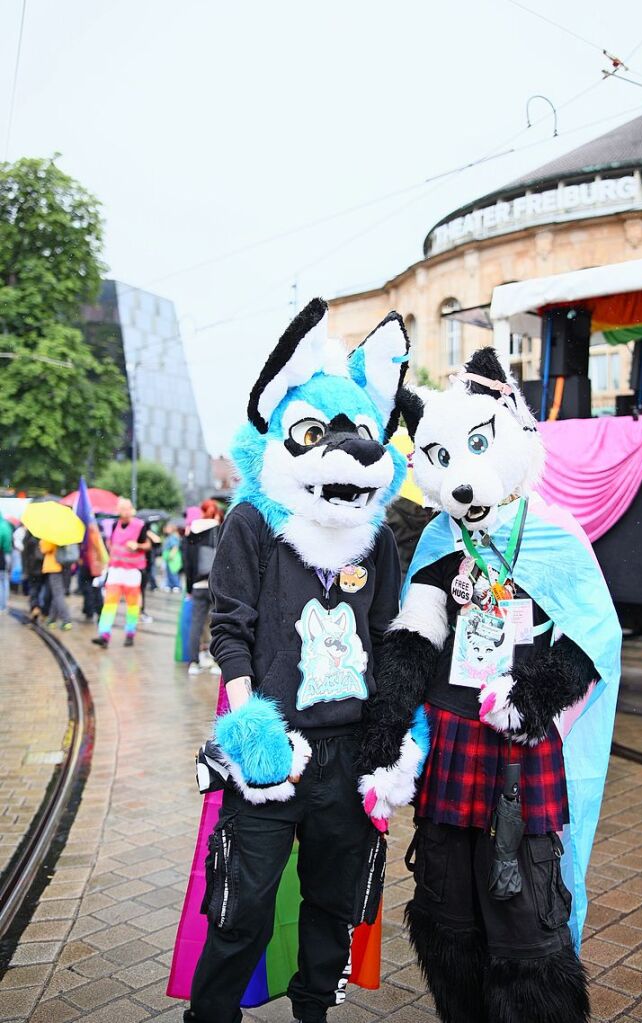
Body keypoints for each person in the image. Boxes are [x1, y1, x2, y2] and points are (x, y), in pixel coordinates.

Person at [357, 349, 622, 1023]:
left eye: (474, 446)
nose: (461, 475)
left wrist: (536, 696)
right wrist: (386, 723)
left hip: (517, 745)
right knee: (447, 899)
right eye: (440, 456)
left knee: (523, 905)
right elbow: (413, 637)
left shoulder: (554, 535)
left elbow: (592, 636)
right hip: (449, 742)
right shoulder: (436, 542)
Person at [175, 298, 415, 1023]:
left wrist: (391, 741)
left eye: (359, 433)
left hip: (348, 754)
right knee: (242, 904)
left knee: (332, 903)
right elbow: (231, 628)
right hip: (275, 749)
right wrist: (252, 728)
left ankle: (314, 1009)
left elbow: (390, 638)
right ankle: (210, 1016)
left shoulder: (377, 538)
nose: (344, 450)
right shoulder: (251, 521)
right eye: (317, 431)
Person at [92, 497, 151, 648]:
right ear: (118, 511)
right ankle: (104, 635)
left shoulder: (140, 525)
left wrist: (137, 545)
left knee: (132, 605)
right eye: (122, 509)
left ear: (131, 510)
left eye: (127, 508)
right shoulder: (113, 525)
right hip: (116, 569)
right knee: (109, 604)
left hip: (132, 572)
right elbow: (111, 545)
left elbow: (148, 545)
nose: (125, 512)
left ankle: (130, 634)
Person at [184, 501, 222, 676]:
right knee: (218, 625)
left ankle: (193, 662)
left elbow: (188, 562)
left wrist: (189, 586)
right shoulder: (220, 530)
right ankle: (216, 662)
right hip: (216, 586)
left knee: (196, 624)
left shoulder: (192, 532)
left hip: (197, 585)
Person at [39, 539, 73, 630]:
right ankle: (52, 619)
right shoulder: (66, 533)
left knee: (58, 594)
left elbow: (44, 549)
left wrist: (42, 541)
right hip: (65, 566)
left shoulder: (51, 535)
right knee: (57, 594)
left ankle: (66, 620)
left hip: (54, 566)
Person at [22, 527, 47, 621]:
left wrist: (25, 569)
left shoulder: (29, 535)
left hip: (32, 567)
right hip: (43, 566)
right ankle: (41, 608)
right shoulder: (46, 534)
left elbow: (24, 553)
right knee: (42, 588)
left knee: (34, 588)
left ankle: (35, 607)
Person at [162, 523, 183, 592]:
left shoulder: (173, 537)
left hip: (172, 557)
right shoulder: (170, 536)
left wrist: (172, 554)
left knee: (173, 571)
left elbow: (175, 547)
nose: (166, 529)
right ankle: (170, 585)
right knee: (169, 571)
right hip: (168, 556)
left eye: (168, 528)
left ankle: (176, 585)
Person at [0, 514, 12, 614]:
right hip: (5, 555)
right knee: (5, 581)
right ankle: (4, 605)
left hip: (2, 556)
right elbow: (7, 544)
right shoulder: (6, 526)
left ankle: (1, 606)